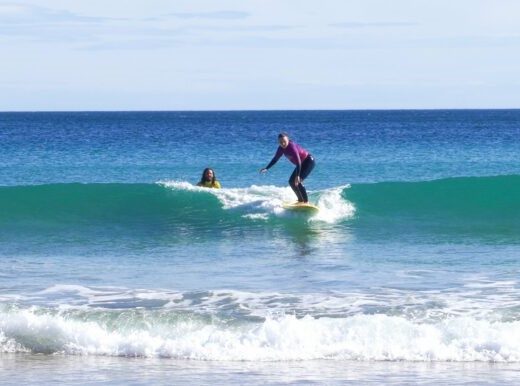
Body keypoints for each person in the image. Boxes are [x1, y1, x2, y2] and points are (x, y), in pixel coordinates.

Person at [260, 132, 315, 203]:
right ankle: (300, 200)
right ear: (278, 142)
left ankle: (306, 202)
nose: (283, 144)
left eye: (284, 141)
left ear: (288, 140)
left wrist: (298, 175)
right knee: (291, 182)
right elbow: (275, 159)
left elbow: (298, 161)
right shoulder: (280, 149)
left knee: (298, 181)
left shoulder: (292, 147)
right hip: (300, 164)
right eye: (280, 142)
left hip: (308, 161)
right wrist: (267, 168)